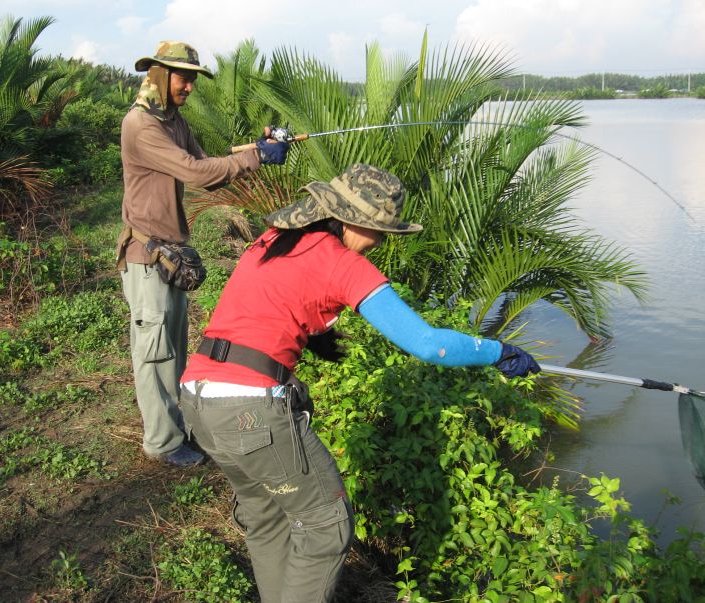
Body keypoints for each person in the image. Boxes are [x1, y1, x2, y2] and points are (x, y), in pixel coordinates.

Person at [178, 163, 540, 602]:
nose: (381, 242)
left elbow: (268, 303)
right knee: (326, 525)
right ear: (351, 221)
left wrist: (315, 336)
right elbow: (430, 344)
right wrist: (497, 351)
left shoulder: (274, 240)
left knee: (267, 516)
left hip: (199, 399)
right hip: (249, 411)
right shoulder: (342, 263)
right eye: (380, 231)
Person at [116, 41, 289, 467]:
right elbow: (193, 171)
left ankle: (174, 429)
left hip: (169, 254)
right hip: (146, 254)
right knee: (154, 353)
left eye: (192, 77)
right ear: (158, 74)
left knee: (172, 349)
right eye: (183, 76)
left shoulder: (172, 121)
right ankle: (162, 443)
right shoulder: (140, 125)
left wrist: (256, 149)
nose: (189, 85)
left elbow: (205, 172)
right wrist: (253, 160)